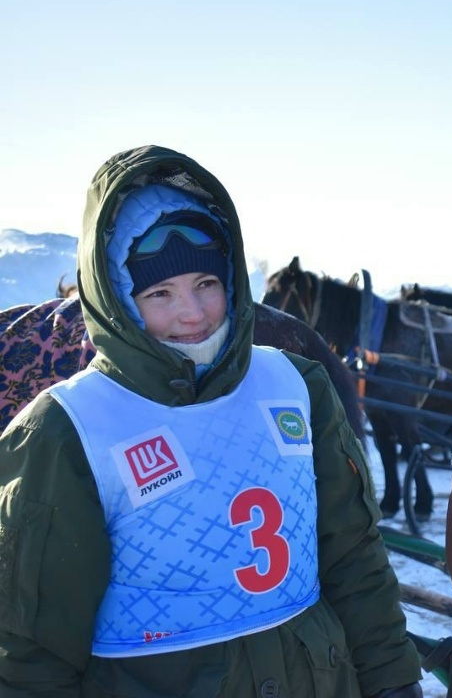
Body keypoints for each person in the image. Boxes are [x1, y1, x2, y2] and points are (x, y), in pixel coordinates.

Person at [0, 145, 423, 697]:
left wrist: (391, 678)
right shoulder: (66, 430)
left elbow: (353, 556)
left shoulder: (298, 387)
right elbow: (33, 649)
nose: (193, 313)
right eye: (159, 293)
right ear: (118, 303)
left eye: (206, 283)